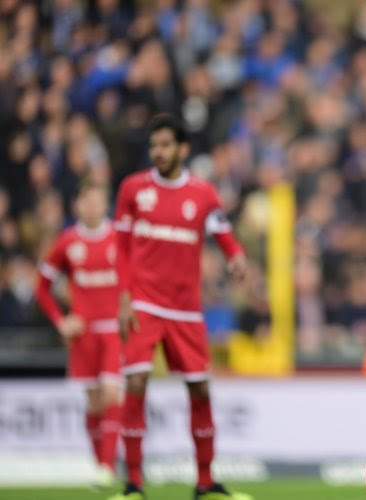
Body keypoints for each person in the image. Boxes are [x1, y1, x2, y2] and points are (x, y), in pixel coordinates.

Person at [110, 114, 252, 500]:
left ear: (182, 149)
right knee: (136, 382)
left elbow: (224, 234)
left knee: (201, 391)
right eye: (154, 145)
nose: (158, 152)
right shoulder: (133, 190)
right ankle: (133, 484)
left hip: (186, 309)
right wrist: (123, 297)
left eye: (165, 145)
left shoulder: (203, 193)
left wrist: (237, 257)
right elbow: (120, 248)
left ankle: (205, 482)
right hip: (143, 302)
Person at [35, 181, 121, 488]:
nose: (93, 207)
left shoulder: (120, 238)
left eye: (99, 201)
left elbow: (139, 277)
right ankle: (99, 463)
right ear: (78, 206)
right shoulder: (66, 242)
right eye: (88, 202)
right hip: (82, 332)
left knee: (112, 392)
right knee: (95, 401)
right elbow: (42, 287)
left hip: (113, 329)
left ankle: (108, 468)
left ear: (105, 204)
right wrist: (61, 321)